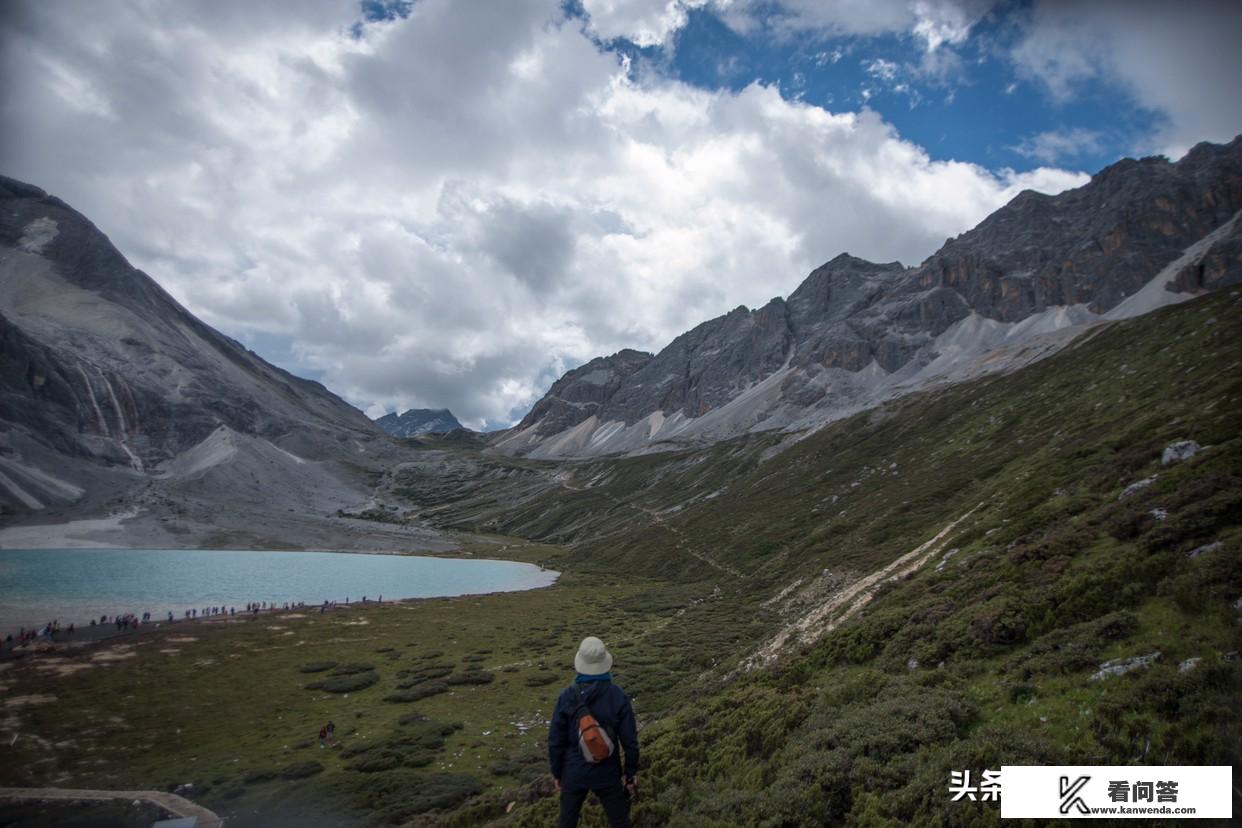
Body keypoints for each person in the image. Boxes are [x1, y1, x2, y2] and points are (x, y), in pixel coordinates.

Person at [547, 636, 639, 828]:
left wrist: (557, 773)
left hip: (573, 772)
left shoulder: (567, 697)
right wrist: (630, 775)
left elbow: (556, 741)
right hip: (608, 772)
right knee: (620, 822)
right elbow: (630, 741)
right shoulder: (617, 695)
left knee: (566, 822)